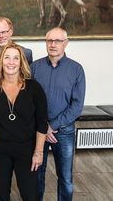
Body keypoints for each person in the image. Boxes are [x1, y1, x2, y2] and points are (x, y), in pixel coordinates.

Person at [0, 42, 48, 200]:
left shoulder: (34, 88)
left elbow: (42, 122)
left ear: (21, 63)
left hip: (27, 149)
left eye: (15, 58)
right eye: (7, 57)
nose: (11, 62)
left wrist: (38, 152)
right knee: (1, 194)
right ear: (0, 61)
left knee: (30, 194)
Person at [31, 27, 86, 201]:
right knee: (36, 175)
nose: (53, 44)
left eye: (57, 41)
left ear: (66, 43)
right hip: (37, 131)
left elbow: (77, 106)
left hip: (64, 132)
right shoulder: (34, 67)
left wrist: (52, 126)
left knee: (65, 178)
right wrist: (43, 127)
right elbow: (28, 100)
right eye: (49, 41)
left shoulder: (76, 69)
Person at [0, 17, 33, 90]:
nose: (1, 36)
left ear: (11, 32)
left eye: (4, 32)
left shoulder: (26, 53)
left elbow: (28, 79)